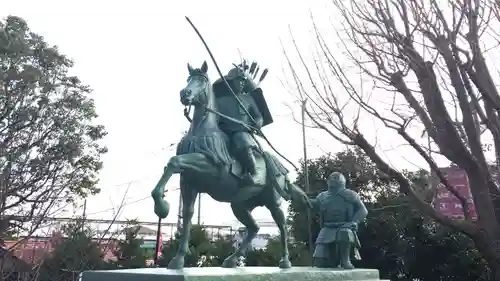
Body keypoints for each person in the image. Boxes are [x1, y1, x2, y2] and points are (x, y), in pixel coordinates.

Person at [213, 65, 264, 186]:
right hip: (224, 132)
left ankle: (254, 172)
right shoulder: (220, 101)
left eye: (243, 81)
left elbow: (259, 117)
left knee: (240, 138)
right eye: (238, 80)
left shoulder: (249, 99)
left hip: (243, 133)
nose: (241, 83)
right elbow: (213, 117)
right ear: (230, 82)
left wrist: (256, 125)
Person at [310, 172, 368, 269]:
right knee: (320, 262)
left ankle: (346, 260)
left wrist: (354, 221)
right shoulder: (322, 196)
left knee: (344, 233)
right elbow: (312, 204)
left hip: (344, 226)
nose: (333, 179)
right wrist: (300, 197)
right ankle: (332, 260)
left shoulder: (351, 195)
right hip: (327, 228)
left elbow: (363, 210)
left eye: (336, 178)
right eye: (332, 177)